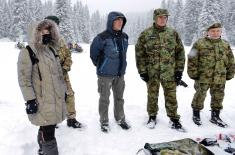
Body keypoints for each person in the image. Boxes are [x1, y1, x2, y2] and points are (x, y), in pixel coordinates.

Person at [17, 19, 67, 155]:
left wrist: (64, 92)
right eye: (43, 31)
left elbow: (58, 76)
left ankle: (42, 149)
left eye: (48, 31)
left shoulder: (51, 50)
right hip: (42, 101)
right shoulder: (27, 53)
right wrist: (30, 100)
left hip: (54, 99)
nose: (46, 34)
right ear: (35, 33)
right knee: (49, 132)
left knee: (47, 126)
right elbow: (24, 80)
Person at [135, 8, 185, 131]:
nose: (163, 20)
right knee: (152, 96)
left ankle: (174, 119)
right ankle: (152, 117)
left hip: (169, 72)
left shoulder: (173, 33)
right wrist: (142, 71)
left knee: (171, 96)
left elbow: (180, 53)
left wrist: (179, 70)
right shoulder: (146, 34)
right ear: (155, 18)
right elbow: (139, 54)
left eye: (165, 17)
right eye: (160, 17)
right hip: (152, 72)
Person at [187, 22, 235, 127]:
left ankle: (215, 116)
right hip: (203, 76)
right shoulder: (199, 43)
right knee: (200, 95)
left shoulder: (225, 44)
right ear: (208, 32)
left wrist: (231, 72)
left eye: (218, 31)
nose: (215, 33)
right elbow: (191, 58)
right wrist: (193, 73)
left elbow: (231, 60)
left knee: (218, 96)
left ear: (221, 32)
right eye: (213, 31)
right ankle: (196, 114)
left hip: (220, 76)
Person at [90, 11, 130, 132]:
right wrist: (102, 65)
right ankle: (104, 121)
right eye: (117, 20)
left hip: (120, 74)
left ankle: (120, 119)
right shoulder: (101, 37)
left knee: (119, 98)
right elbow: (94, 54)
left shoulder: (124, 37)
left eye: (121, 20)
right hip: (105, 75)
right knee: (104, 99)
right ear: (111, 22)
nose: (120, 22)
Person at [45, 16, 83, 129]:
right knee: (51, 98)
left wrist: (65, 67)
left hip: (63, 75)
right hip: (49, 76)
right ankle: (52, 121)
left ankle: (71, 119)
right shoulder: (42, 41)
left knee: (69, 95)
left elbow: (68, 55)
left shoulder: (61, 40)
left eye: (56, 25)